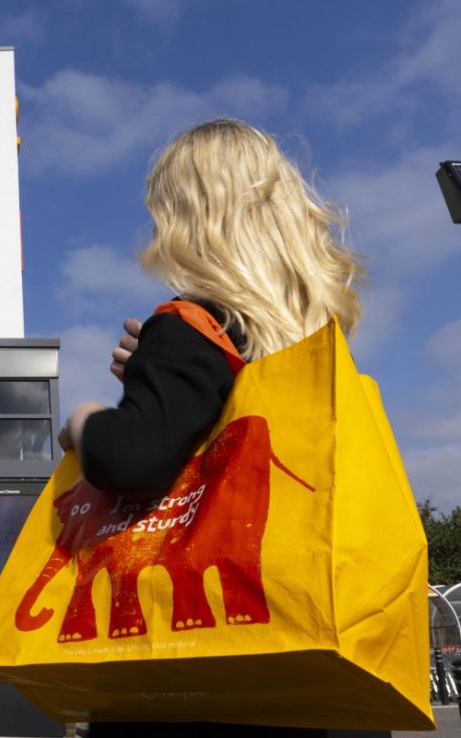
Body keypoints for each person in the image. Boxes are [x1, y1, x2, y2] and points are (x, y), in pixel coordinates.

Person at [60, 119, 377, 737]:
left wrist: (85, 419)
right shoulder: (317, 348)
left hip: (198, 689)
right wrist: (156, 377)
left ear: (189, 220)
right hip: (313, 678)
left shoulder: (189, 323)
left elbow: (131, 460)